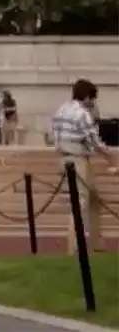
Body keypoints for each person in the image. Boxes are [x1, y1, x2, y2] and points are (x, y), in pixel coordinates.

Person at [51, 79, 116, 255]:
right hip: (78, 159)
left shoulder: (61, 109)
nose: (93, 102)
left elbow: (55, 136)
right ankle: (72, 248)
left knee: (94, 198)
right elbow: (95, 142)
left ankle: (97, 242)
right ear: (86, 96)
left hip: (64, 158)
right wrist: (110, 157)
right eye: (92, 98)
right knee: (79, 203)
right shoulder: (82, 114)